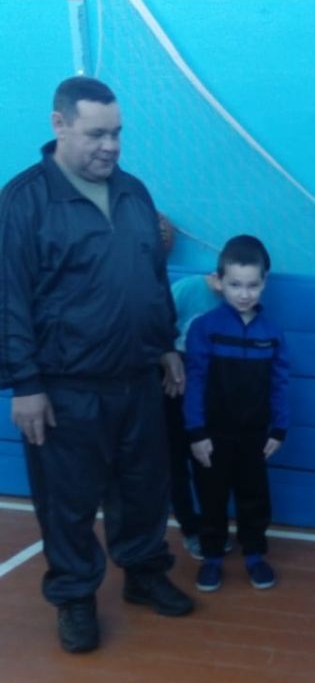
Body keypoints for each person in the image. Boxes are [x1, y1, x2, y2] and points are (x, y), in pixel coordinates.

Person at [0, 76, 194, 653]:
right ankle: (75, 598)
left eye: (117, 133)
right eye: (96, 134)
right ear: (59, 125)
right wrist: (25, 384)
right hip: (65, 386)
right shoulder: (23, 201)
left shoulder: (133, 192)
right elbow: (9, 299)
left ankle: (144, 573)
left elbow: (152, 278)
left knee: (144, 487)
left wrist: (165, 344)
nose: (110, 146)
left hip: (137, 376)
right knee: (68, 500)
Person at [184, 234, 290, 592]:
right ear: (219, 282)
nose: (244, 294)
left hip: (254, 434)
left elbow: (280, 383)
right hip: (212, 434)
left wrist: (279, 428)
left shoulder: (272, 333)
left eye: (252, 285)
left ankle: (255, 555)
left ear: (264, 282)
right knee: (211, 496)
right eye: (235, 284)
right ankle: (212, 557)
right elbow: (194, 382)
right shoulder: (204, 328)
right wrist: (196, 432)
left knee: (254, 495)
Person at [164, 272, 220, 559]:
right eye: (234, 282)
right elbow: (158, 325)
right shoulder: (187, 289)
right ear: (218, 275)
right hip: (174, 381)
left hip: (207, 383)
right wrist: (169, 359)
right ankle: (190, 528)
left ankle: (210, 527)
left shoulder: (238, 302)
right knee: (176, 461)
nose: (243, 292)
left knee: (206, 459)